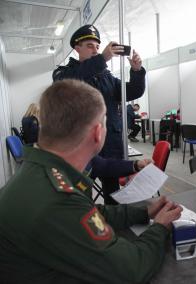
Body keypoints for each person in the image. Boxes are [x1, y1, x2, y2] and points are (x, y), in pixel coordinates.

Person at [0, 79, 182, 282]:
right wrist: (160, 226)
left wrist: (144, 212)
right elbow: (131, 269)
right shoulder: (58, 199)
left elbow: (90, 213)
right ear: (97, 132)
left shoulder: (41, 171)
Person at [52, 24, 146, 205]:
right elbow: (72, 80)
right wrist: (103, 57)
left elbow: (132, 91)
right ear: (76, 48)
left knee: (113, 195)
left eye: (97, 46)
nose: (95, 50)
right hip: (81, 147)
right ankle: (85, 230)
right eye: (89, 46)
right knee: (81, 195)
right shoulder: (65, 73)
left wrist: (136, 71)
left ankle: (114, 228)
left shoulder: (106, 77)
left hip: (110, 143)